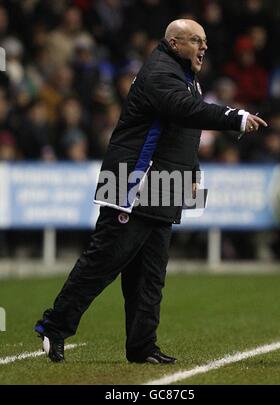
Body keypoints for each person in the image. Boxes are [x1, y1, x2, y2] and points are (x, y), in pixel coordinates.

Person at [34, 19, 267, 363]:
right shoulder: (159, 71)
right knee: (103, 263)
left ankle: (142, 347)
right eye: (195, 41)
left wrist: (191, 171)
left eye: (204, 41)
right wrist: (233, 116)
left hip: (163, 187)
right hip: (134, 183)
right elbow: (184, 110)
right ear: (174, 43)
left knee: (150, 276)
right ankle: (55, 326)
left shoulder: (185, 76)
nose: (204, 47)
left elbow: (182, 131)